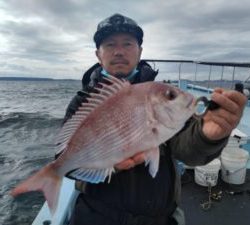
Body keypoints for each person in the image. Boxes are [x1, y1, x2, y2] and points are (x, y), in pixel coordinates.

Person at [62, 14, 247, 225]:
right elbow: (66, 161)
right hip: (95, 216)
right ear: (98, 54)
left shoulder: (161, 97)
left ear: (140, 51)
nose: (119, 51)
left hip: (159, 218)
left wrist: (208, 136)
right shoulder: (82, 103)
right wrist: (109, 163)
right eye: (110, 44)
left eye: (128, 44)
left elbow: (187, 149)